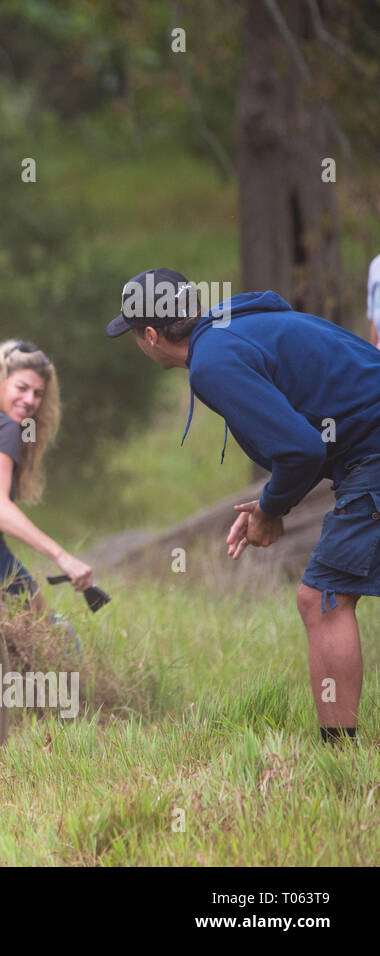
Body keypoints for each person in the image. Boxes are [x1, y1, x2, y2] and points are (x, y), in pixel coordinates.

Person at [107, 267, 380, 744]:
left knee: (322, 597)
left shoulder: (213, 363)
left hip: (372, 453)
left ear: (150, 336)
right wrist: (271, 503)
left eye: (133, 335)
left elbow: (303, 450)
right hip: (365, 447)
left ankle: (342, 755)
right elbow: (312, 426)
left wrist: (271, 509)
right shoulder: (232, 324)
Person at [0, 340, 93, 611]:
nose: (30, 400)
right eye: (21, 388)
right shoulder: (6, 427)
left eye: (38, 393)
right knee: (58, 637)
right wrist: (63, 557)